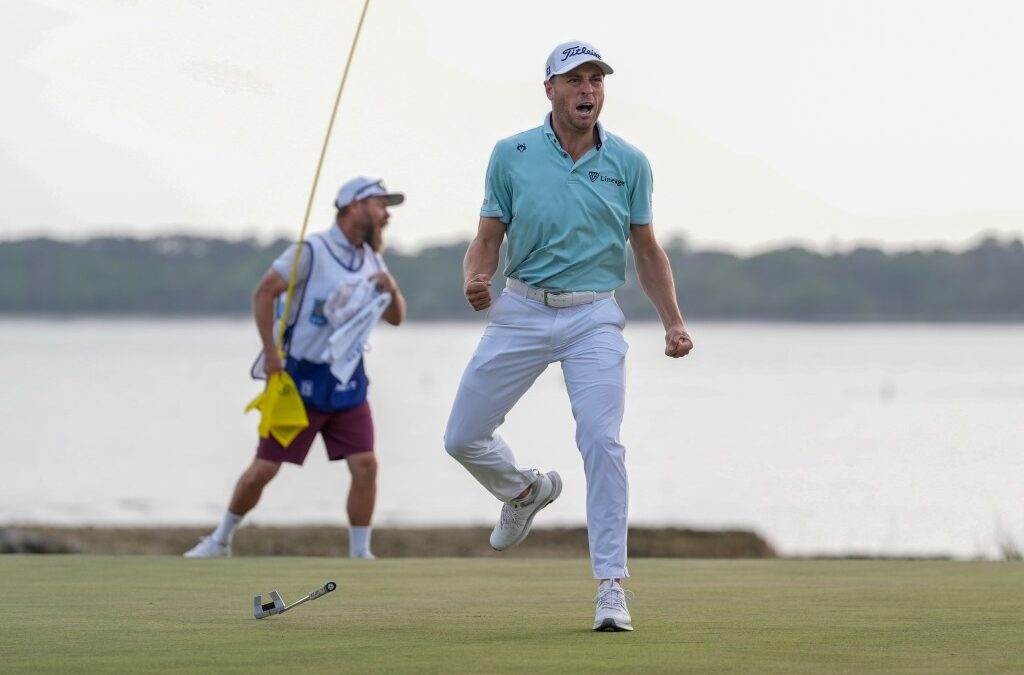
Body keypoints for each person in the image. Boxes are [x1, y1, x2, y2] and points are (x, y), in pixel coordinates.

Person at [443, 41, 693, 631]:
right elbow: (486, 235)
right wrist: (475, 279)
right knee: (462, 437)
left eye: (596, 80)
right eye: (575, 80)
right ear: (550, 90)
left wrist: (673, 322)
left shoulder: (629, 162)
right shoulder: (512, 154)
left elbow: (647, 250)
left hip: (593, 318)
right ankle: (525, 491)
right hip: (522, 309)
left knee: (602, 442)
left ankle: (611, 587)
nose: (588, 89)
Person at [185, 176, 406, 560]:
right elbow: (264, 292)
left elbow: (397, 318)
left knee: (366, 465)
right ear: (353, 206)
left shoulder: (373, 258)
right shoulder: (312, 250)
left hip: (346, 378)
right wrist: (270, 353)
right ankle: (220, 539)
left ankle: (360, 553)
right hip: (299, 377)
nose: (386, 214)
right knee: (264, 469)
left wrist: (392, 289)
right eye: (379, 204)